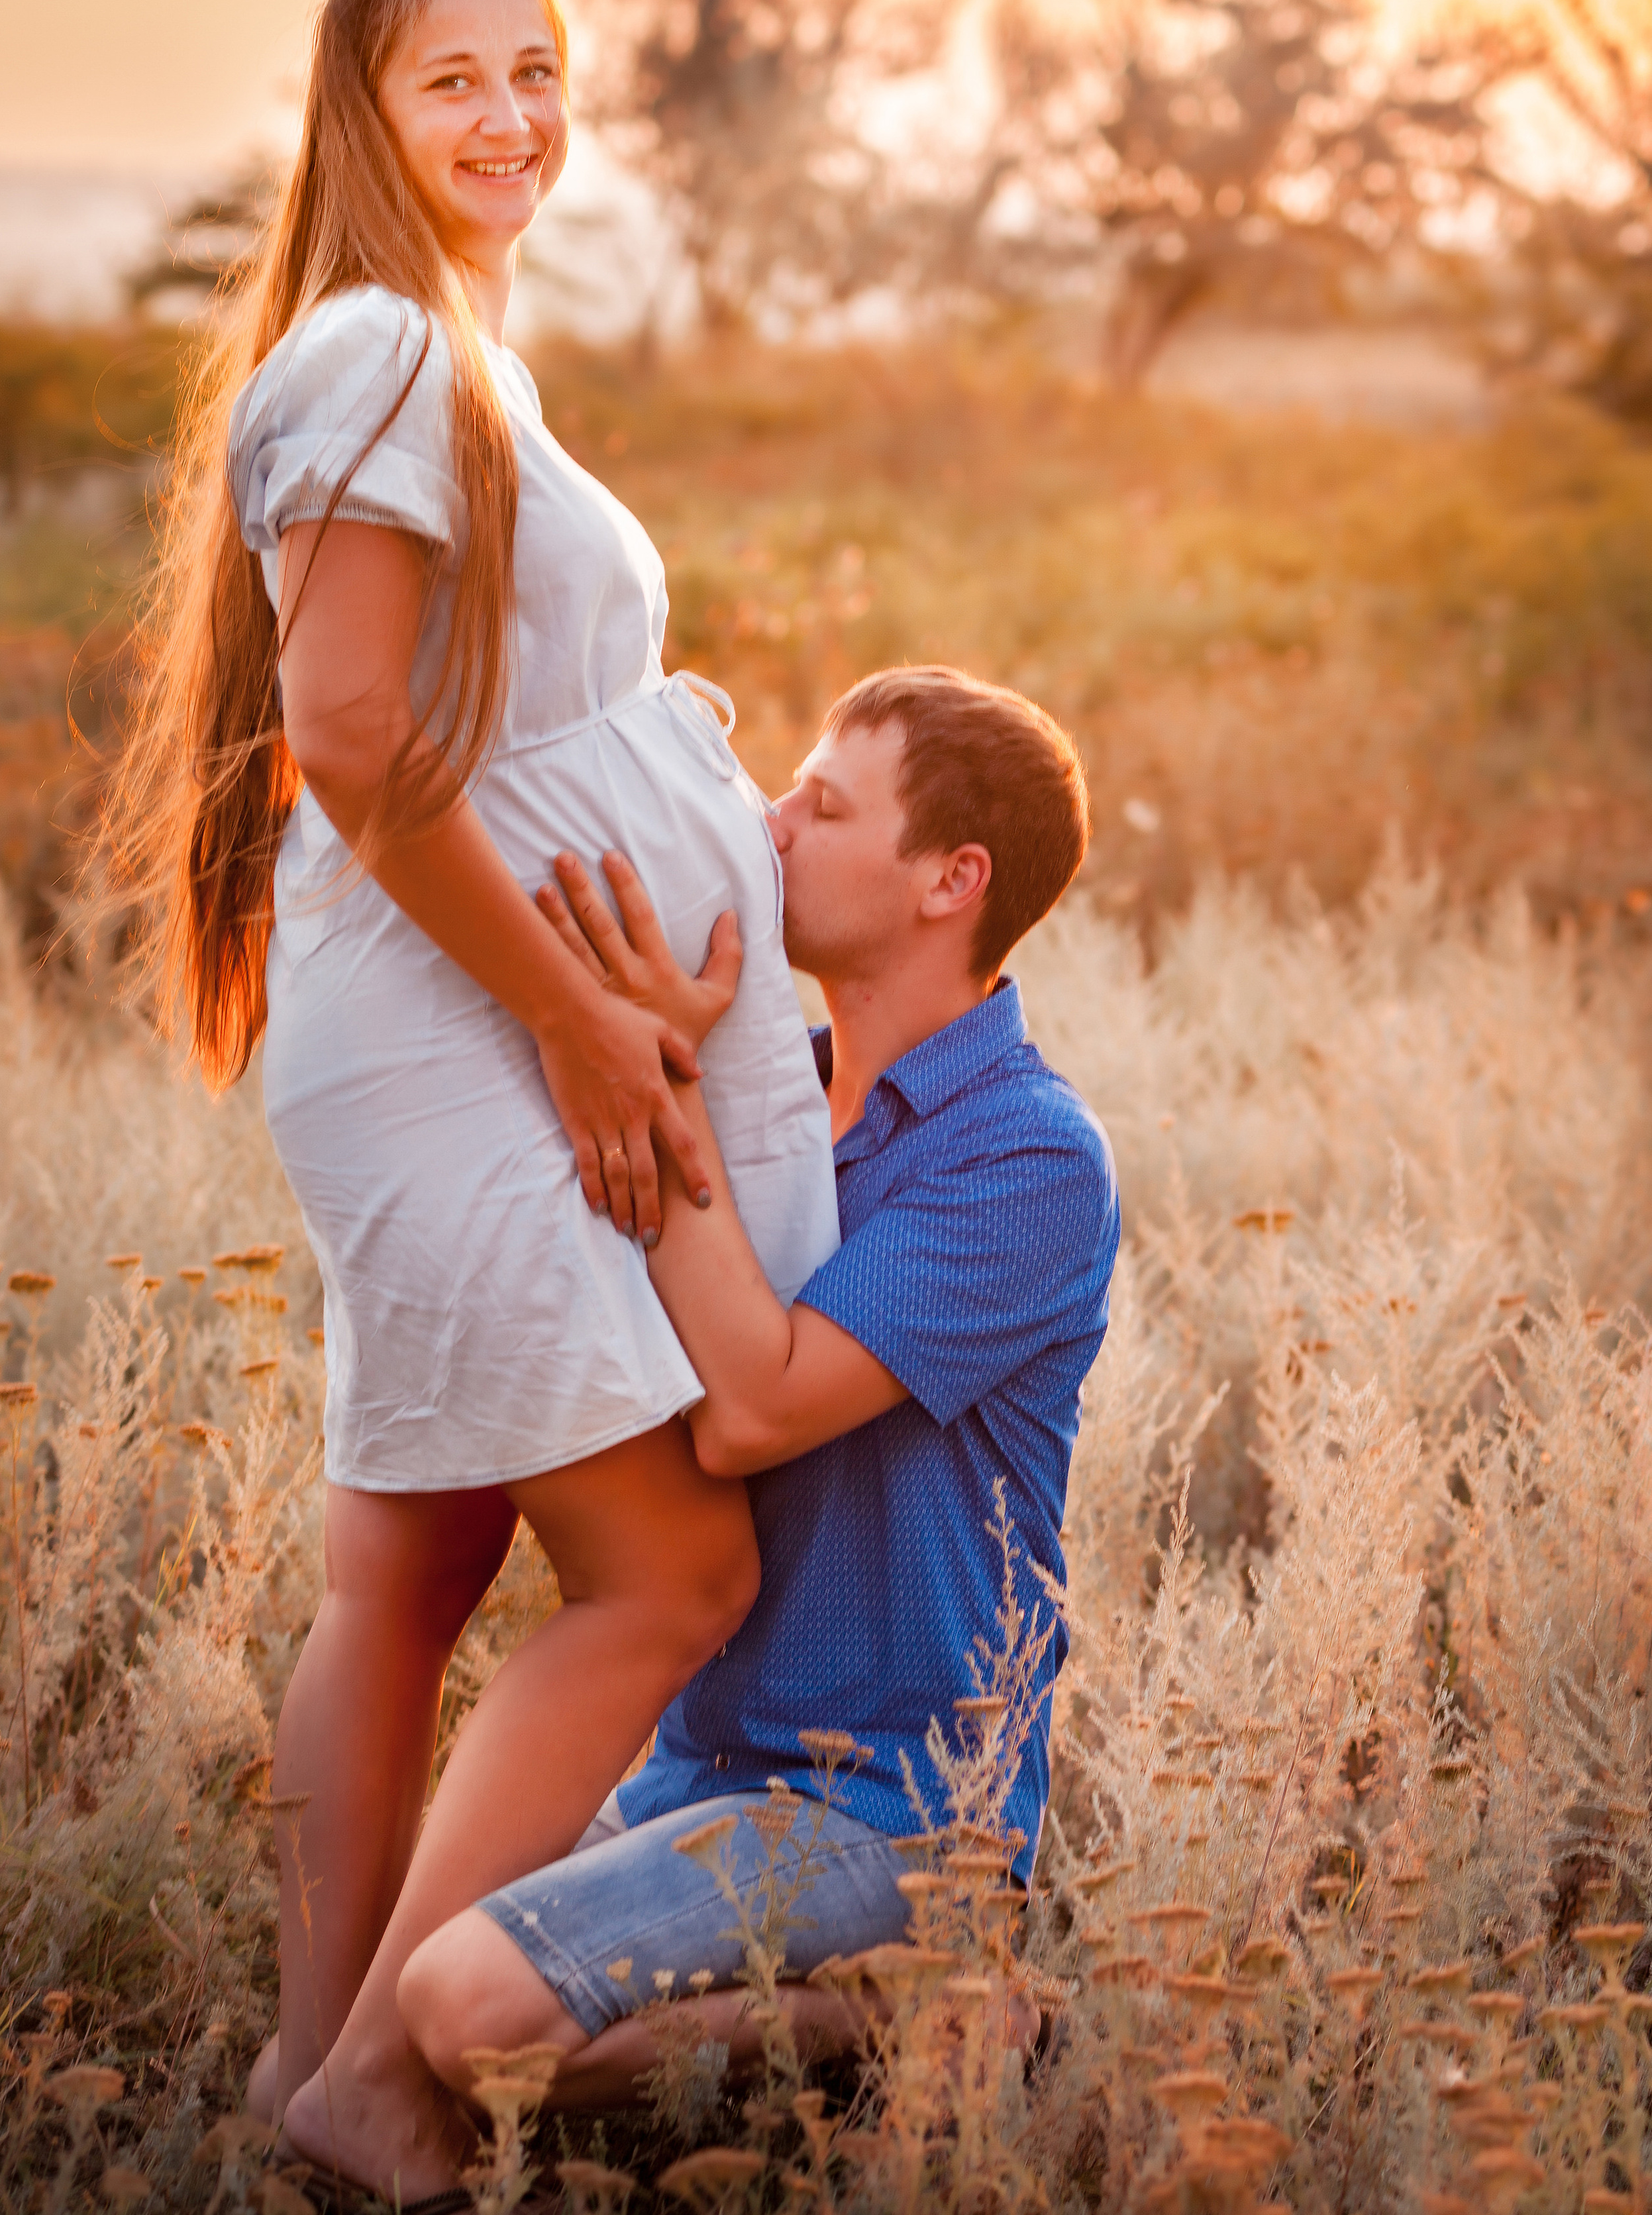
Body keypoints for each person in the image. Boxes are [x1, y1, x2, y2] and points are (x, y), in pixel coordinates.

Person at [102, 0, 839, 2201]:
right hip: (462, 1035)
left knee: (403, 1574)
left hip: (466, 1018)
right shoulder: (379, 349)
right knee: (667, 1580)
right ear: (363, 110)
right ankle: (387, 2088)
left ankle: (299, 2077)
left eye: (540, 71)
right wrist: (580, 1018)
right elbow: (345, 735)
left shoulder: (442, 351)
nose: (515, 118)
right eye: (457, 84)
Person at [395, 667, 1121, 2122]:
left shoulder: (1027, 1160)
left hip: (889, 1805)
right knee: (386, 1989)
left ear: (947, 881)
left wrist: (660, 1089)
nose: (767, 821)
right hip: (687, 1766)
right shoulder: (775, 1103)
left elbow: (751, 1410)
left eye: (822, 803)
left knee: (464, 2012)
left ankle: (918, 2003)